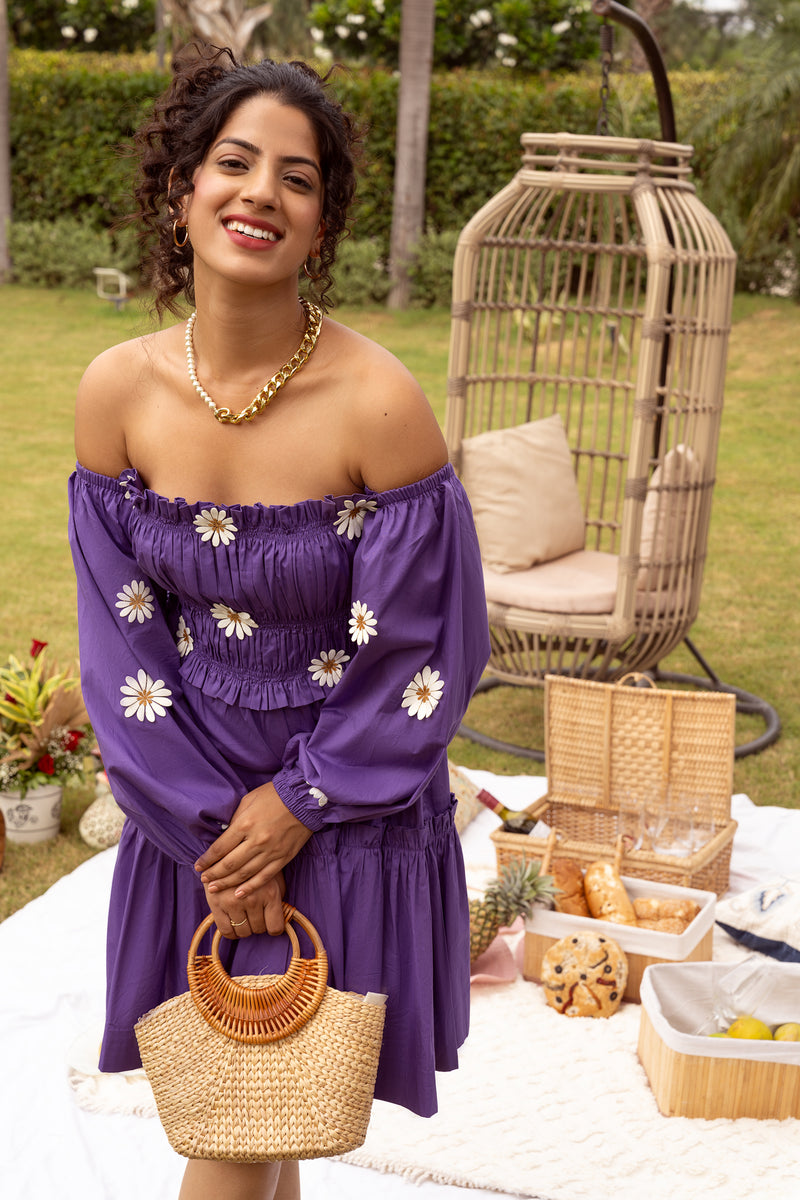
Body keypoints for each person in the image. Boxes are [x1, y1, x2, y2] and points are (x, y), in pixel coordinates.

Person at [68, 44, 490, 1200]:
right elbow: (121, 649)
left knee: (248, 1128)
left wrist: (294, 807)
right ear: (182, 190)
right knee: (251, 1116)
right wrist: (219, 835)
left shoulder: (378, 404)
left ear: (319, 228)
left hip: (345, 810)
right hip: (190, 818)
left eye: (295, 180)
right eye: (234, 163)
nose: (259, 192)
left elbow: (423, 650)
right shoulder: (116, 393)